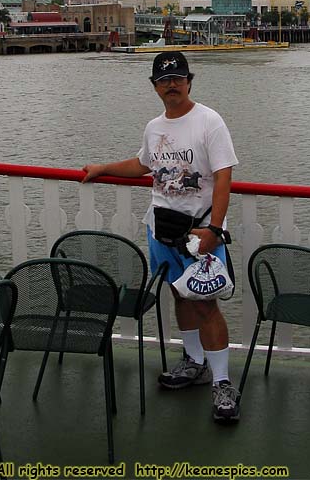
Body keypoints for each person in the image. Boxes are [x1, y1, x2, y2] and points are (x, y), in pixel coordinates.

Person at [82, 50, 240, 422]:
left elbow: (223, 177)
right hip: (160, 228)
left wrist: (215, 231)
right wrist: (103, 167)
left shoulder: (209, 122)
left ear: (189, 81)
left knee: (206, 303)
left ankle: (222, 383)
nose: (171, 85)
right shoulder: (155, 127)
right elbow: (143, 164)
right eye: (164, 80)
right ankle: (193, 362)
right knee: (178, 294)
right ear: (154, 86)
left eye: (177, 79)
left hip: (198, 230)